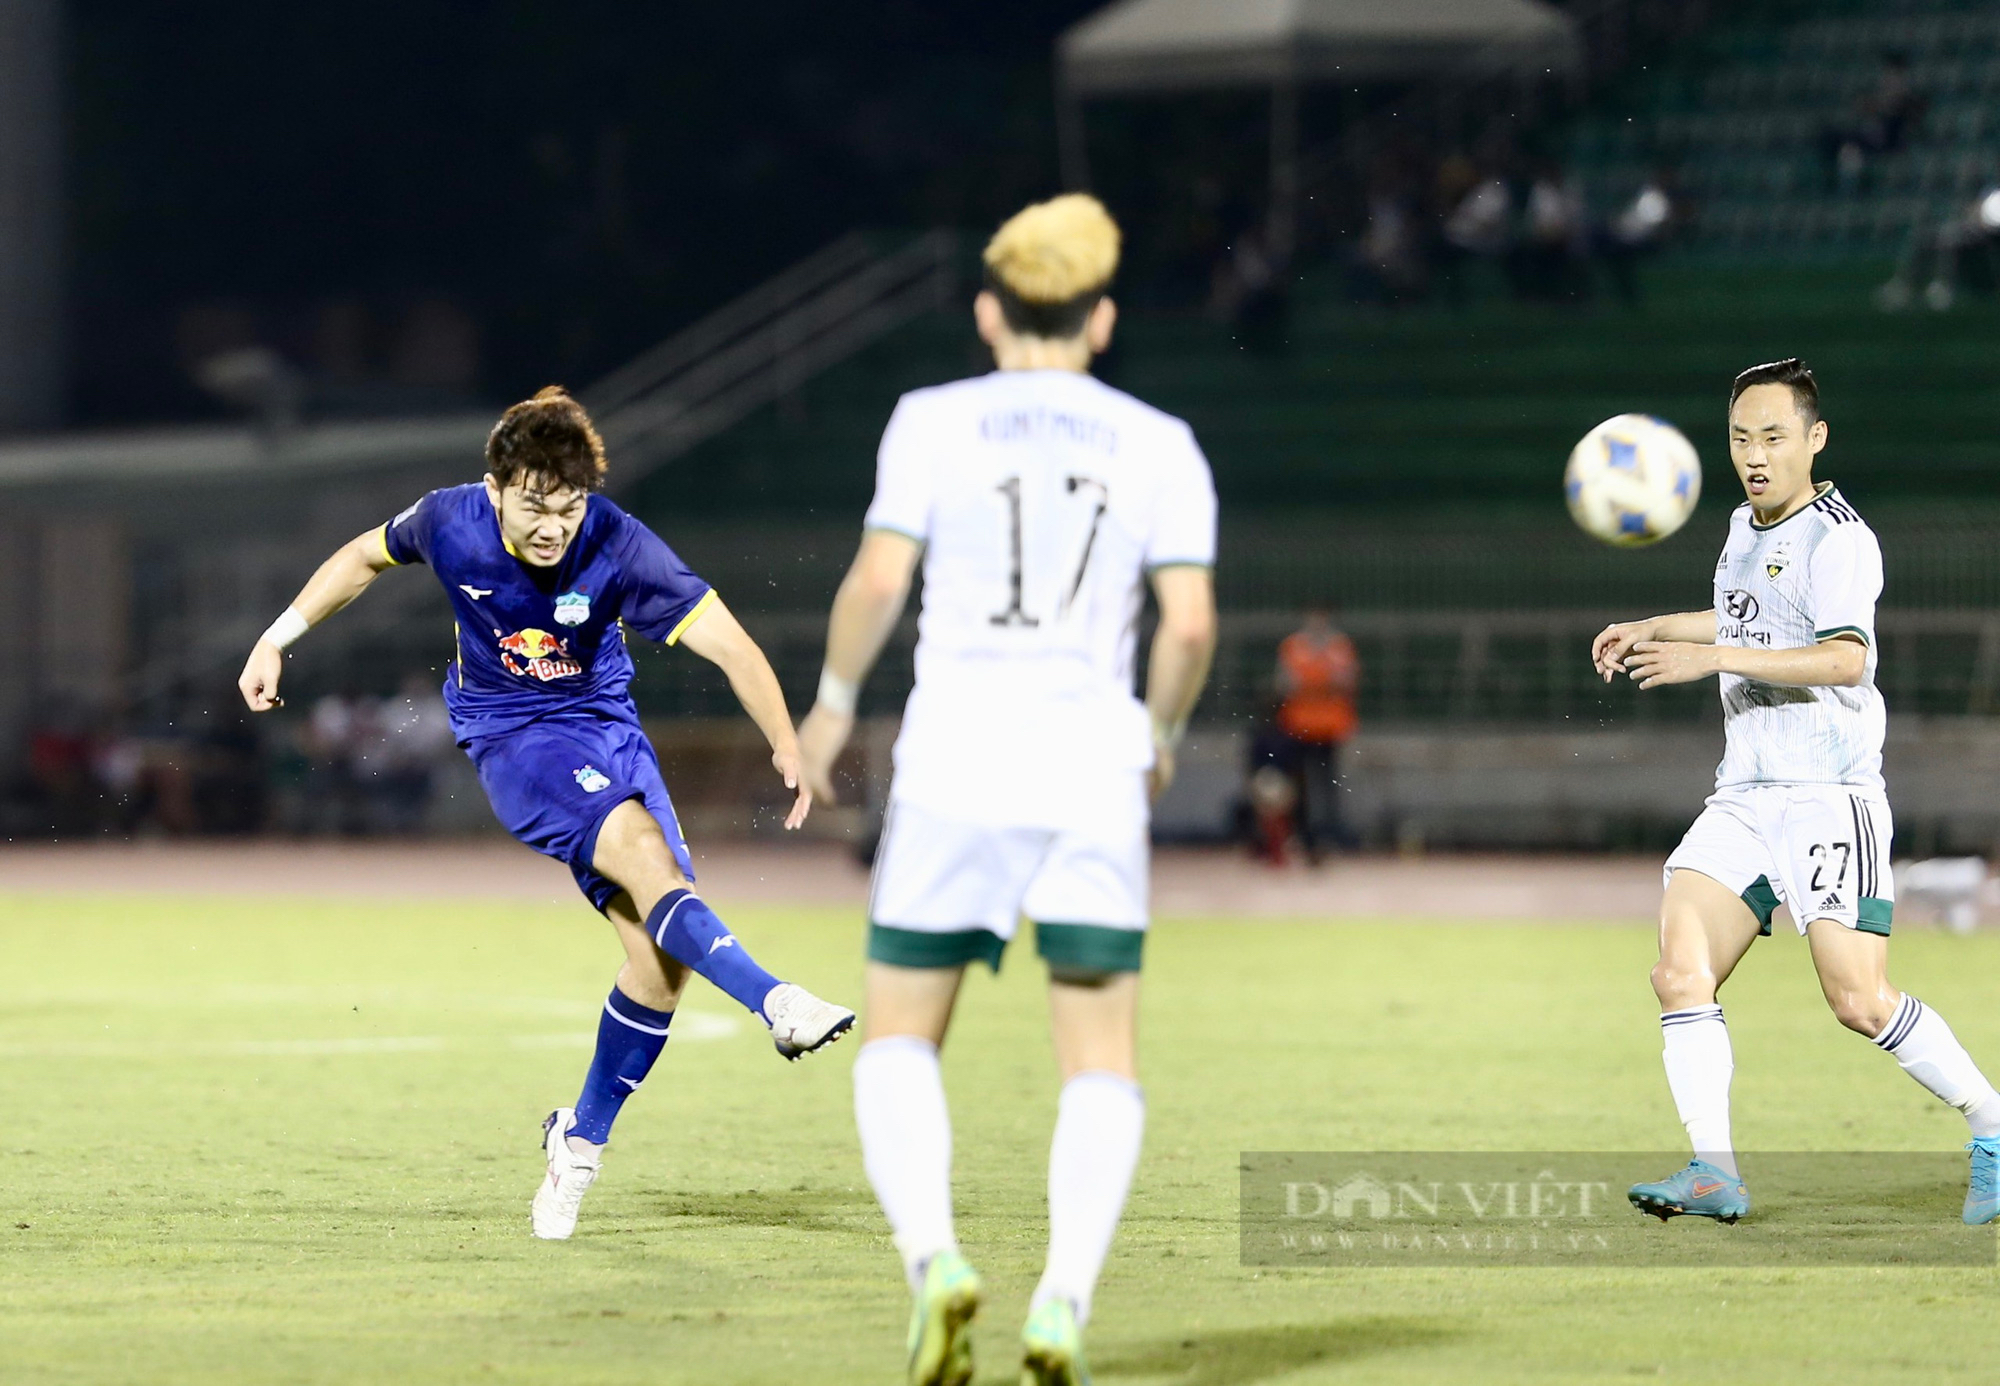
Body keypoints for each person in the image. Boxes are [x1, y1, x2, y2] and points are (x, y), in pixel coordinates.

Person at [236, 387, 854, 1241]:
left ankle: (579, 1141)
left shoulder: (618, 541)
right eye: (535, 506)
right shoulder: (449, 521)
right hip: (512, 736)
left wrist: (784, 740)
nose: (553, 526)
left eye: (567, 507)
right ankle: (775, 1002)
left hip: (608, 728)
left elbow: (730, 642)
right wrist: (277, 635)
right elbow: (361, 558)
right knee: (643, 855)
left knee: (658, 960)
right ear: (496, 490)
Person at [796, 194, 1218, 1386]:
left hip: (953, 761)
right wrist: (1162, 729)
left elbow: (880, 576)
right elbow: (1186, 622)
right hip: (1089, 764)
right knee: (1098, 1052)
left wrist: (831, 701)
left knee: (898, 1035)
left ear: (988, 312)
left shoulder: (929, 421)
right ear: (1102, 318)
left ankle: (933, 1263)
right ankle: (1065, 1302)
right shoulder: (1157, 441)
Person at [1592, 358, 1999, 1228]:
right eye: (1741, 438)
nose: (1754, 455)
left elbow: (1845, 656)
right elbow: (1742, 614)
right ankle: (1714, 1169)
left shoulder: (1840, 538)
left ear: (1814, 439)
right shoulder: (1744, 525)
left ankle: (1993, 1124)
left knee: (1859, 1000)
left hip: (1827, 793)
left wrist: (1711, 658)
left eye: (1773, 436)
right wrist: (1654, 627)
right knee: (1679, 970)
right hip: (1743, 793)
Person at [1273, 607, 1360, 859]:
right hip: (1300, 726)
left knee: (1329, 784)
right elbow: (1285, 684)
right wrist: (1322, 681)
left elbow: (1346, 681)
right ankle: (1304, 836)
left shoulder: (1339, 646)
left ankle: (1329, 837)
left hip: (1330, 727)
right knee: (1301, 784)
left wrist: (1311, 681)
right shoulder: (1293, 646)